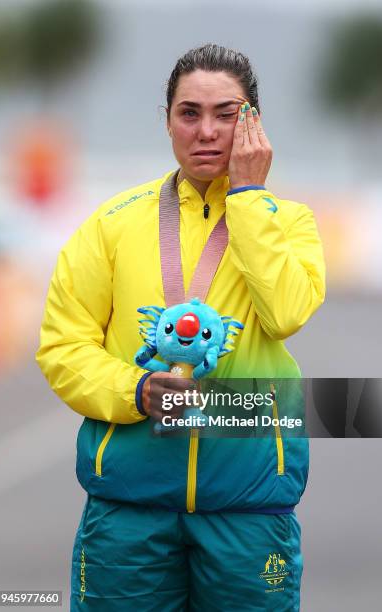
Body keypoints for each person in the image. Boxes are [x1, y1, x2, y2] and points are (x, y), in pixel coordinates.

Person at [36, 44, 325, 611]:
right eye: (189, 113)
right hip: (128, 509)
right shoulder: (112, 224)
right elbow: (63, 346)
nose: (207, 131)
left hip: (248, 506)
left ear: (253, 124)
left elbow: (286, 312)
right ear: (167, 121)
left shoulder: (287, 221)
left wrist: (246, 199)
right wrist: (135, 390)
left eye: (227, 114)